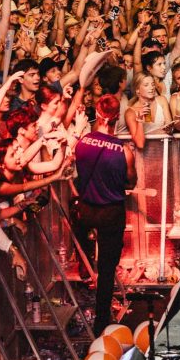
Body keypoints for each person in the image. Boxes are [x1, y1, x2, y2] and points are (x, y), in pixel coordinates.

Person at [72, 93, 134, 332]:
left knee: (79, 225)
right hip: (111, 212)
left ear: (96, 115)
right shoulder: (123, 150)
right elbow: (130, 183)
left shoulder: (82, 143)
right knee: (107, 268)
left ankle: (84, 263)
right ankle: (101, 322)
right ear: (117, 118)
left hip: (87, 210)